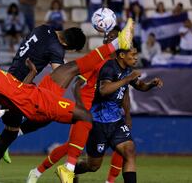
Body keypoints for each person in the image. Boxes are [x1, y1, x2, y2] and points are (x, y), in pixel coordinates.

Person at [0, 19, 135, 183]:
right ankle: (68, 169)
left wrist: (32, 73)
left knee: (72, 70)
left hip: (32, 92)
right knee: (84, 115)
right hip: (37, 102)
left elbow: (17, 87)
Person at [25, 26, 121, 183]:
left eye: (114, 37)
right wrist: (81, 107)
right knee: (72, 146)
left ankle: (61, 171)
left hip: (103, 114)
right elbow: (78, 83)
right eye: (108, 37)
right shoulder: (99, 62)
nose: (109, 39)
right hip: (87, 109)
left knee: (105, 153)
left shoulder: (120, 64)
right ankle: (38, 172)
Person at [74, 48, 163, 183]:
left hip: (116, 122)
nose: (136, 58)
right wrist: (127, 79)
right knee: (93, 166)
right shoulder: (109, 68)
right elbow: (103, 90)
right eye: (133, 55)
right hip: (98, 123)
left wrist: (151, 84)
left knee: (129, 151)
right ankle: (71, 169)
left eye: (136, 55)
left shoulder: (127, 69)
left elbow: (140, 86)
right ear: (122, 55)